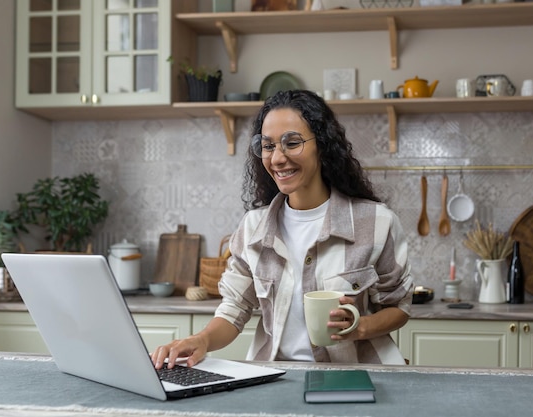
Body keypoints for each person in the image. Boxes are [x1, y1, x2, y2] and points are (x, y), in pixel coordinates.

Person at [151, 89, 413, 369]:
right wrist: (202, 340)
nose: (277, 158)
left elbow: (398, 307)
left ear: (322, 145)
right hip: (277, 376)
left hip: (358, 376)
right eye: (268, 146)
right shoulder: (254, 227)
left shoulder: (375, 222)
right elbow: (234, 310)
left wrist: (360, 327)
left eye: (292, 143)